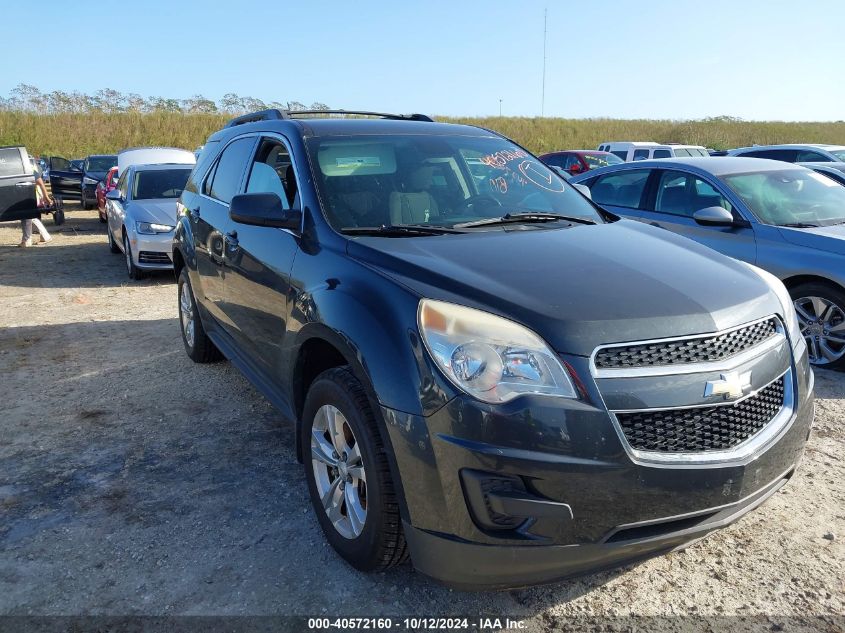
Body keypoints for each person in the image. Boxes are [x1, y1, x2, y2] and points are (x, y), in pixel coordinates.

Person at [19, 158, 53, 247]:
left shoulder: (27, 167)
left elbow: (40, 182)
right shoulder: (23, 165)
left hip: (31, 195)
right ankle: (30, 239)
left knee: (28, 216)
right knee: (28, 217)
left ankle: (29, 239)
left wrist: (46, 197)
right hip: (27, 194)